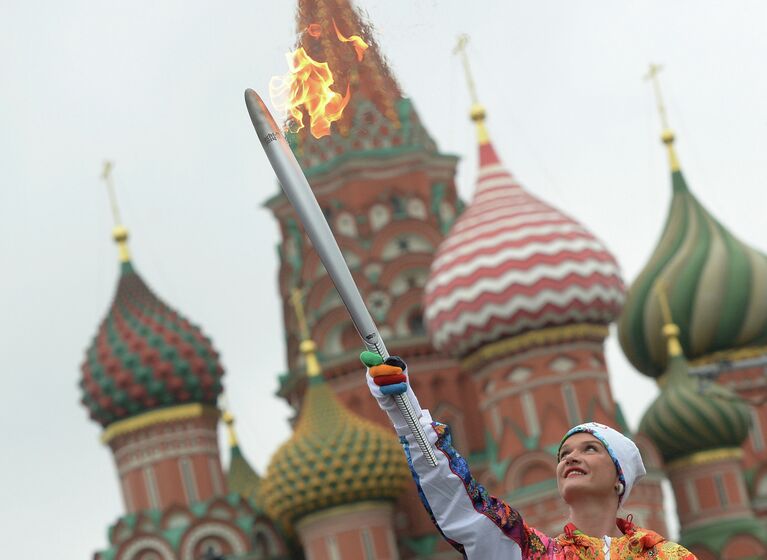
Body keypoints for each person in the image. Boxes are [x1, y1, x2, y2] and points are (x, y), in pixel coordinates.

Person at [361, 351, 697, 559]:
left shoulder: (668, 557)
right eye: (564, 454)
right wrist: (405, 412)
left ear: (618, 478)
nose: (570, 458)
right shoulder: (530, 553)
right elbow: (463, 505)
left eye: (590, 449)